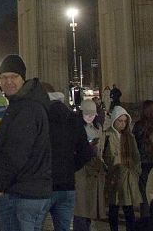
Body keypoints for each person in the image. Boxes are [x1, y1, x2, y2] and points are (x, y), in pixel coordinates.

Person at [0, 54, 52, 231]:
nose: (8, 81)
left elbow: (16, 153)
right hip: (32, 190)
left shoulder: (26, 108)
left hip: (22, 193)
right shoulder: (26, 104)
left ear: (23, 79)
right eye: (4, 77)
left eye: (14, 77)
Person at [42, 82, 92, 231]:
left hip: (43, 185)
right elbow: (86, 153)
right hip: (67, 185)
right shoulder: (73, 118)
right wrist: (70, 166)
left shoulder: (39, 117)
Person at [104, 105, 142, 231]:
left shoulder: (129, 137)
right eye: (120, 121)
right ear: (114, 120)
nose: (122, 124)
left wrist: (136, 172)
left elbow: (136, 155)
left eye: (125, 121)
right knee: (113, 207)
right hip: (113, 176)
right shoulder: (107, 135)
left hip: (127, 176)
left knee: (128, 208)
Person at [74, 99, 105, 231]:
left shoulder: (98, 127)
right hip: (81, 169)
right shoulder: (75, 127)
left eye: (92, 114)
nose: (90, 117)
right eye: (87, 114)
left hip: (95, 169)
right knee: (81, 207)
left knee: (91, 207)